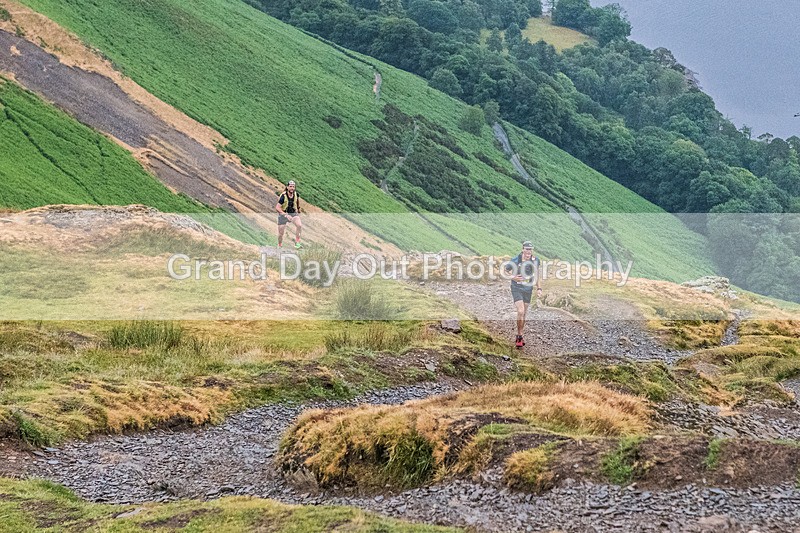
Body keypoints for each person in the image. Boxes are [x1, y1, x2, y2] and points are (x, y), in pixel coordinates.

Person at [504, 241, 542, 348]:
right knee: (520, 311)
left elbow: (537, 275)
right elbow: (505, 271)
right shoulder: (515, 260)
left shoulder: (535, 261)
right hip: (516, 287)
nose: (528, 251)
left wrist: (539, 288)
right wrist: (513, 277)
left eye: (530, 249)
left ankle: (520, 333)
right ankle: (519, 336)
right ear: (523, 249)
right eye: (526, 249)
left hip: (528, 288)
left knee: (524, 313)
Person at [276, 180, 302, 248]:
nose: (292, 188)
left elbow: (297, 201)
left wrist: (298, 208)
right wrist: (285, 215)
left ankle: (297, 242)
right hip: (283, 214)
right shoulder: (283, 196)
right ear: (287, 187)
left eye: (293, 187)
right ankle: (279, 245)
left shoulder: (296, 194)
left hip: (293, 212)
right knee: (281, 234)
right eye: (290, 186)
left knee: (299, 225)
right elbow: (277, 208)